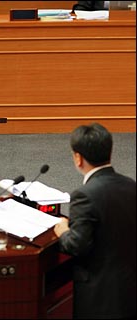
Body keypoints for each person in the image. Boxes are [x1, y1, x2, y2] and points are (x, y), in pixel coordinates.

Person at [54, 123, 136, 319]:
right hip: (130, 286)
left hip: (99, 296)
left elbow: (76, 245)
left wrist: (63, 230)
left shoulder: (84, 195)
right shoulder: (131, 185)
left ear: (78, 158)